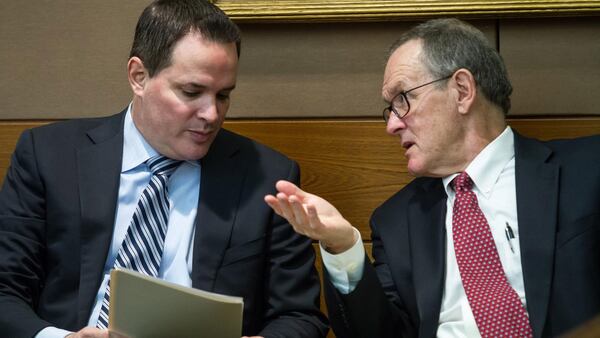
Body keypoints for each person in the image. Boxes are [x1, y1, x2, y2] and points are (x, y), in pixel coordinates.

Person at [0, 1, 328, 337]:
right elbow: (4, 291)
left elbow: (301, 317)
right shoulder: (49, 156)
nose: (212, 115)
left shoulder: (268, 178)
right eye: (191, 92)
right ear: (138, 77)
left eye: (223, 95)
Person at [265, 18, 600, 338]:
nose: (391, 125)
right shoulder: (396, 222)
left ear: (462, 90)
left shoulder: (588, 169)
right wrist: (342, 247)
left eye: (403, 99)